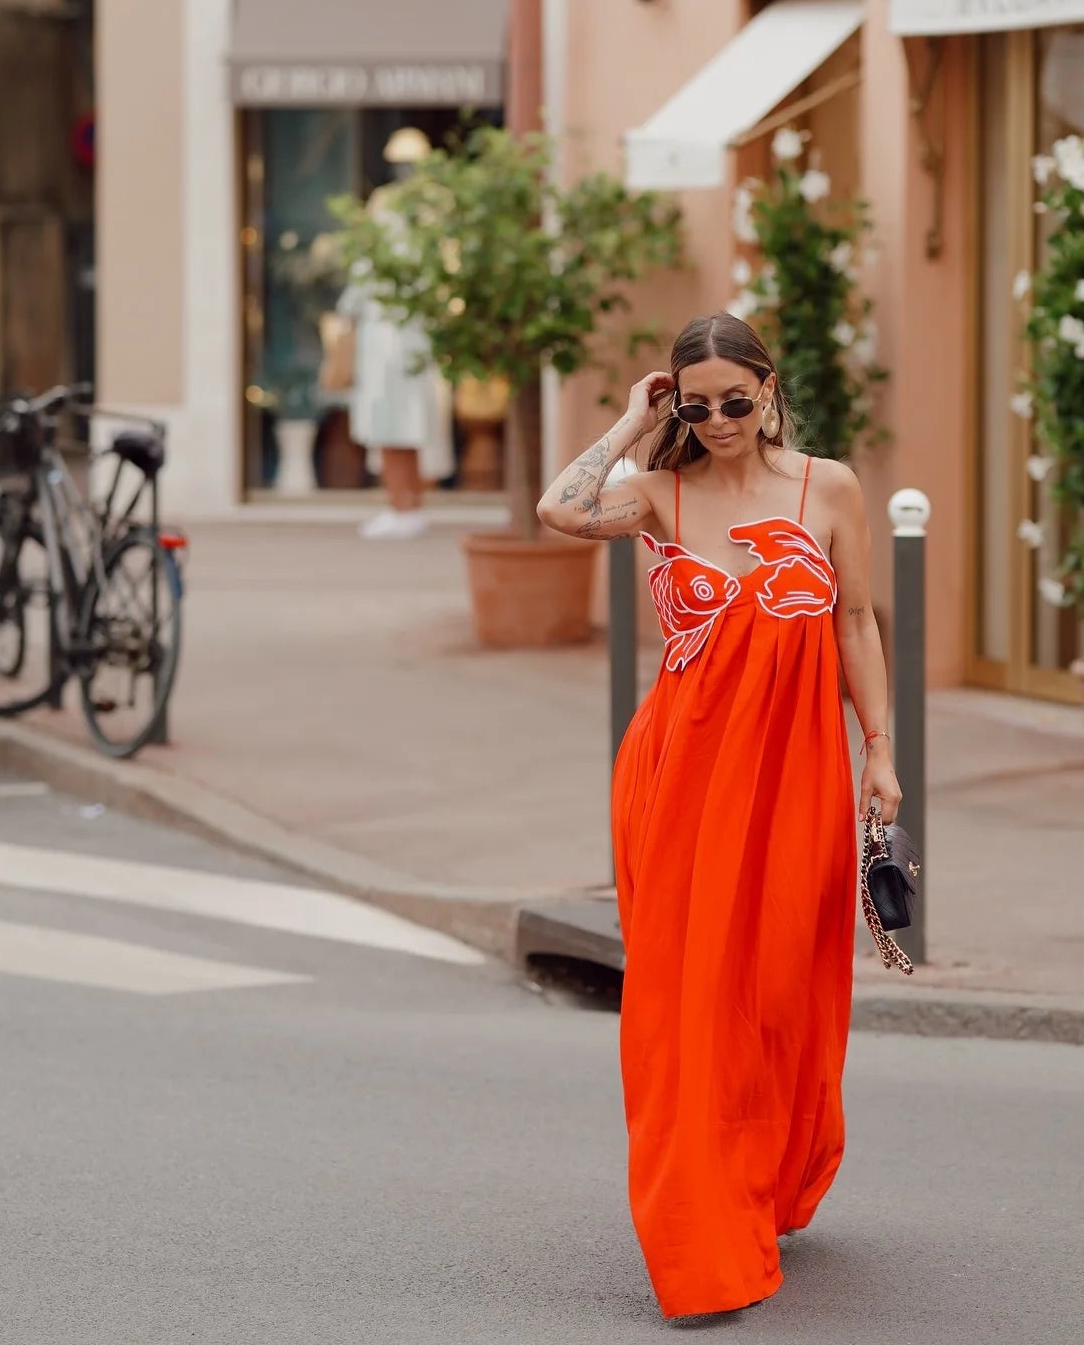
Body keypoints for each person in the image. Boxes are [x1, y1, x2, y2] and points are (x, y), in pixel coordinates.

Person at [536, 313, 901, 1320]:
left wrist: (881, 752)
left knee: (779, 987)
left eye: (735, 401)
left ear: (769, 389)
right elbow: (559, 511)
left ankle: (768, 1177)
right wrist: (627, 424)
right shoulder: (661, 490)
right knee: (689, 1008)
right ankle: (702, 1240)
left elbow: (855, 620)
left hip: (795, 773)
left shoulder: (826, 487)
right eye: (696, 406)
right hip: (683, 775)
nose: (719, 420)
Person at [341, 174, 455, 539]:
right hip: (410, 347)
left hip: (385, 349)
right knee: (403, 429)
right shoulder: (423, 251)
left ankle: (400, 507)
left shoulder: (380, 255)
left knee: (390, 430)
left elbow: (353, 299)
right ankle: (409, 507)